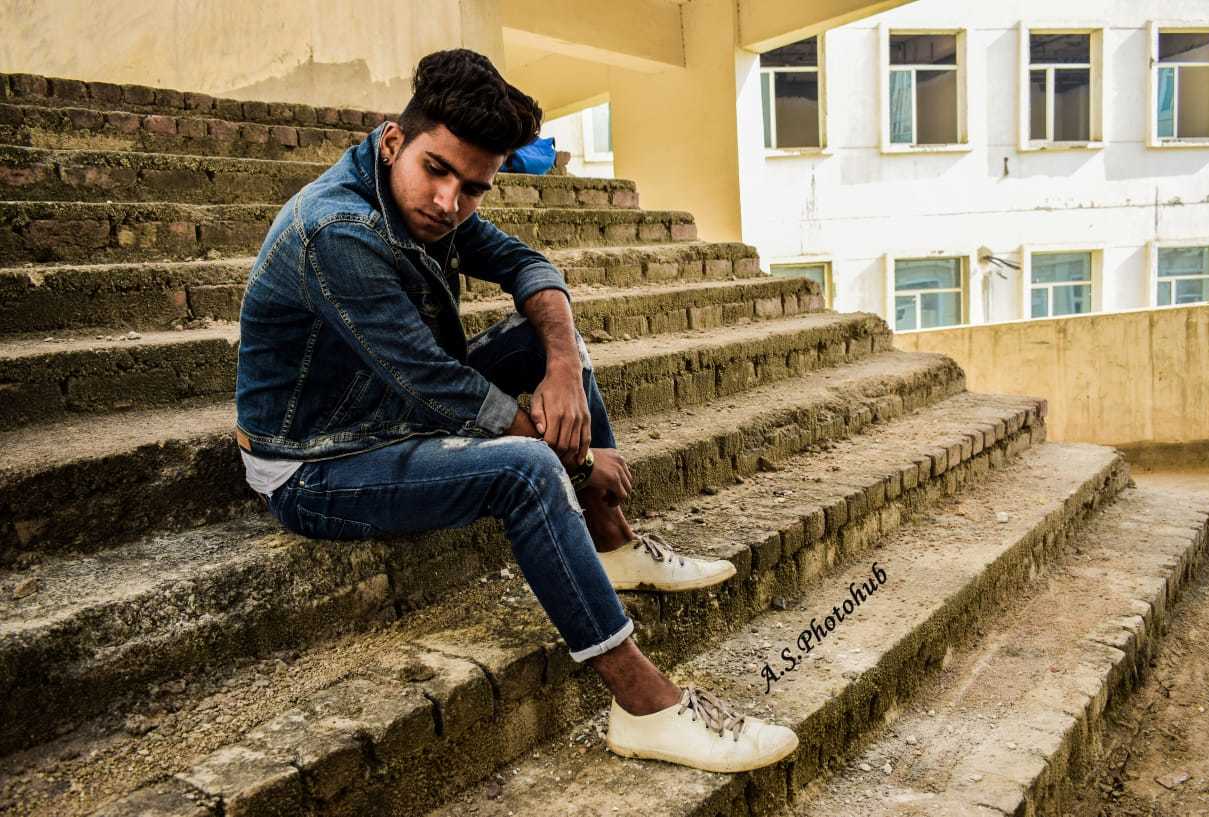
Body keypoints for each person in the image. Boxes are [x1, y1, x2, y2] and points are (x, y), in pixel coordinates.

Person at [234, 48, 798, 773]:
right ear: (394, 140)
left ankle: (612, 545)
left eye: (473, 188)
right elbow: (437, 385)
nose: (449, 202)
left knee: (550, 339)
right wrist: (581, 462)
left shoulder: (421, 196)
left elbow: (529, 266)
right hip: (317, 464)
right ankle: (646, 709)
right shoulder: (336, 229)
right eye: (438, 172)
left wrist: (562, 368)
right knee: (528, 470)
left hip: (390, 412)